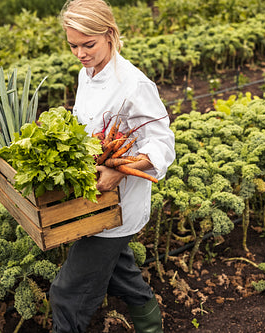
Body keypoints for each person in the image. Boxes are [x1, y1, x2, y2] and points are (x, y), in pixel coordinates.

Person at [49, 1, 176, 332]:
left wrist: (119, 170)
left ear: (109, 35)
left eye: (88, 45)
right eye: (73, 45)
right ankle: (152, 326)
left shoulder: (133, 84)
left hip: (119, 205)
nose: (80, 53)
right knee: (121, 273)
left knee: (66, 294)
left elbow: (162, 143)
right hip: (93, 200)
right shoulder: (86, 74)